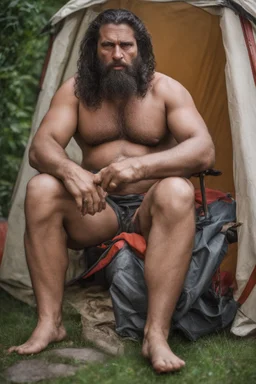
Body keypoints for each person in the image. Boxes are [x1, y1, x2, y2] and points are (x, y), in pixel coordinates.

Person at [8, 9, 215, 373]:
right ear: (94, 50)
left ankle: (156, 334)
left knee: (177, 192)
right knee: (41, 188)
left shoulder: (165, 90)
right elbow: (41, 147)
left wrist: (141, 166)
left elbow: (203, 150)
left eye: (126, 46)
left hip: (149, 212)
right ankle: (49, 323)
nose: (117, 54)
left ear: (141, 49)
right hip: (97, 209)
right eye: (108, 45)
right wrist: (71, 170)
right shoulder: (76, 91)